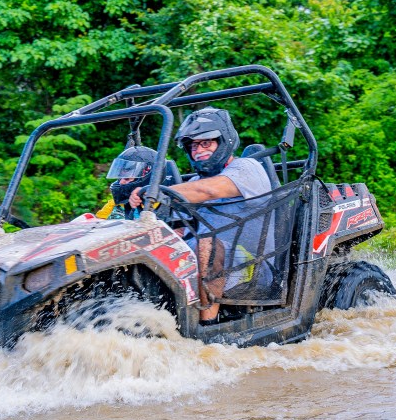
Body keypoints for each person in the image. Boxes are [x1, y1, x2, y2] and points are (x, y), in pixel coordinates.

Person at [129, 107, 274, 325]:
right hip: (205, 265)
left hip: (253, 267)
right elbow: (177, 228)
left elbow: (209, 190)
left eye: (206, 143)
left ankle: (206, 326)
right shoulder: (193, 183)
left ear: (224, 141)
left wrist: (156, 190)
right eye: (193, 145)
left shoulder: (246, 168)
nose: (199, 150)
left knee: (207, 242)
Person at [96, 145, 157, 220]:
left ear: (146, 179)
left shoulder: (163, 207)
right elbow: (96, 225)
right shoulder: (114, 205)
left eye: (127, 178)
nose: (121, 182)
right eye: (120, 178)